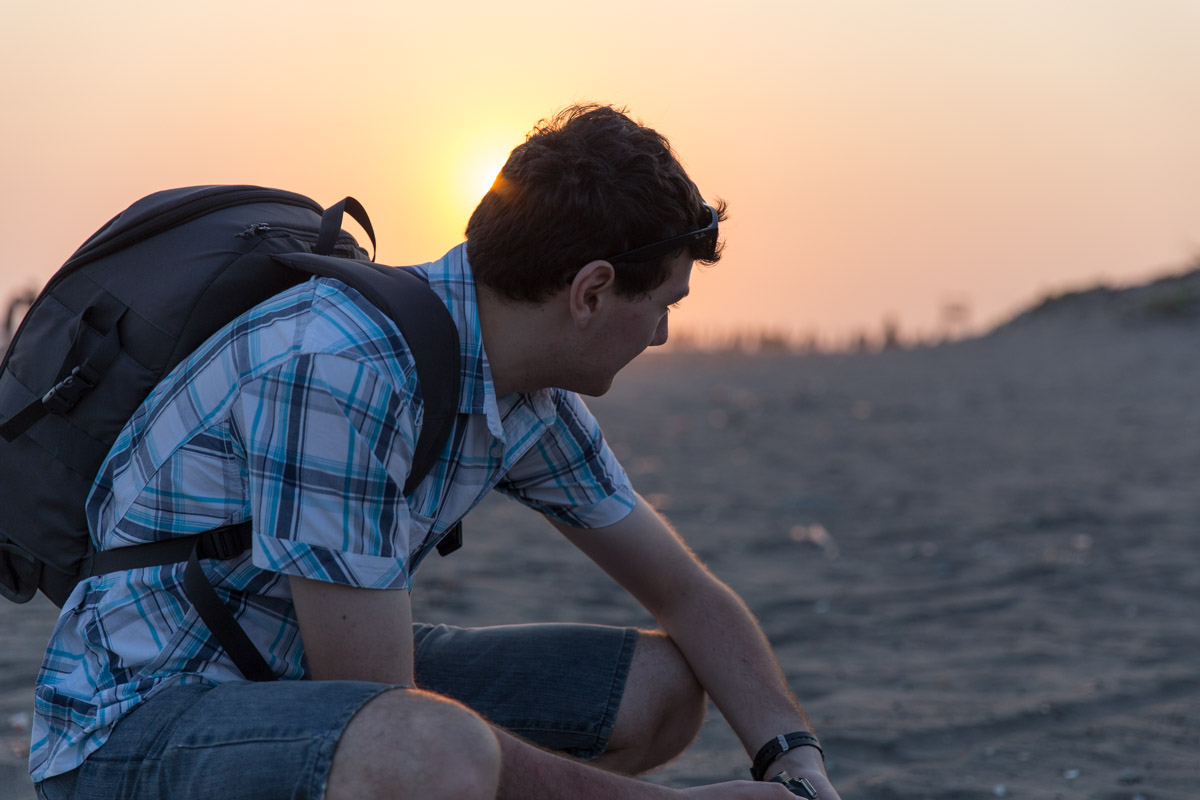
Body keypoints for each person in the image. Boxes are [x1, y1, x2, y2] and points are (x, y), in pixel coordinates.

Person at [31, 104, 841, 800]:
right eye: (662, 304)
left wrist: (793, 759)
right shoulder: (342, 368)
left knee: (660, 690)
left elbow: (687, 594)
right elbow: (376, 707)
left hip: (293, 672)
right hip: (133, 725)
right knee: (428, 753)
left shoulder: (526, 394)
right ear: (591, 292)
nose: (664, 333)